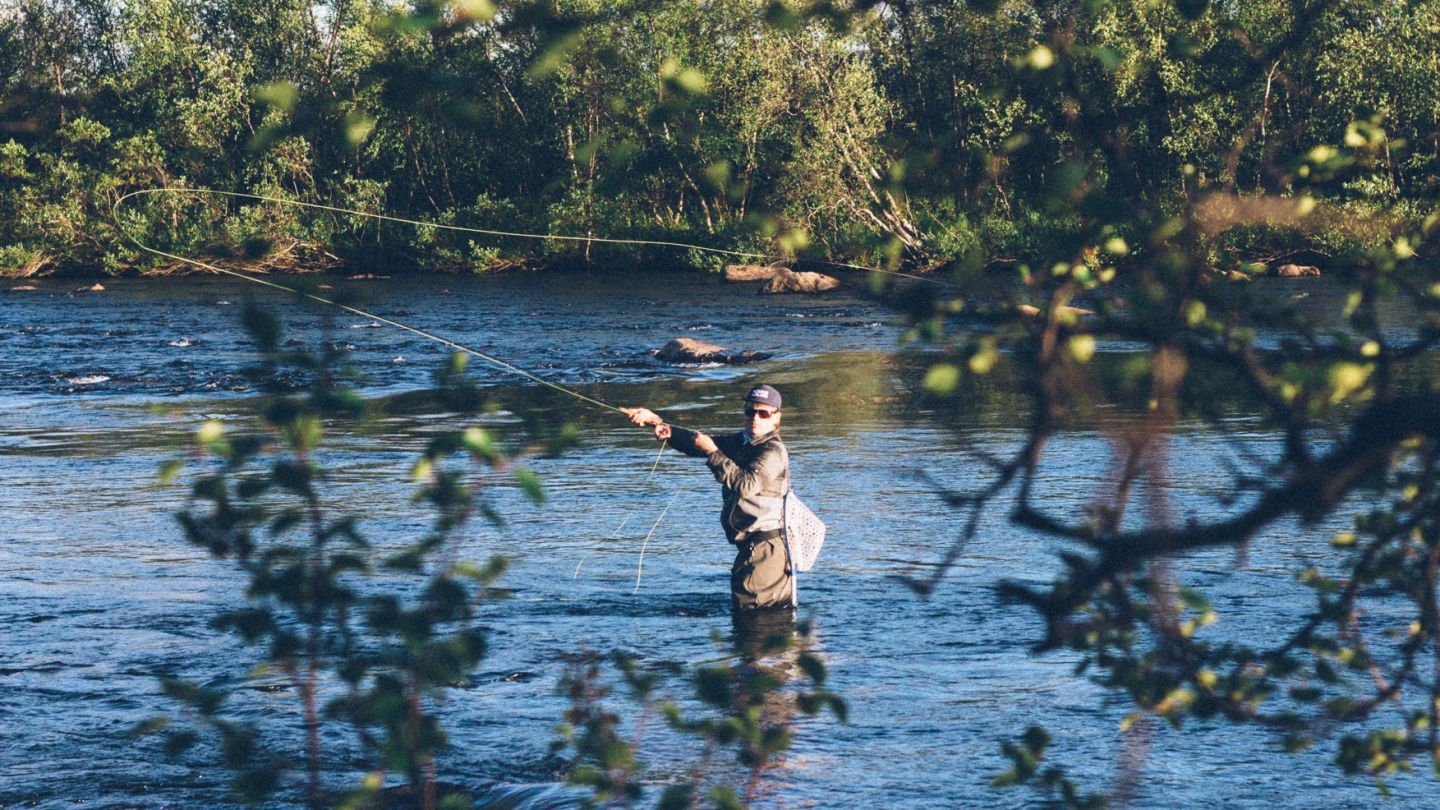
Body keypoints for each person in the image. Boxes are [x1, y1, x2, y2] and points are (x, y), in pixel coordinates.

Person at [623, 384, 794, 611]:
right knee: (761, 614)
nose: (755, 418)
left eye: (763, 413)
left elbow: (746, 485)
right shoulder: (740, 442)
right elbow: (696, 442)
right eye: (750, 411)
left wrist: (714, 454)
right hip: (755, 547)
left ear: (775, 418)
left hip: (766, 548)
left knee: (752, 616)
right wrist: (657, 422)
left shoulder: (772, 450)